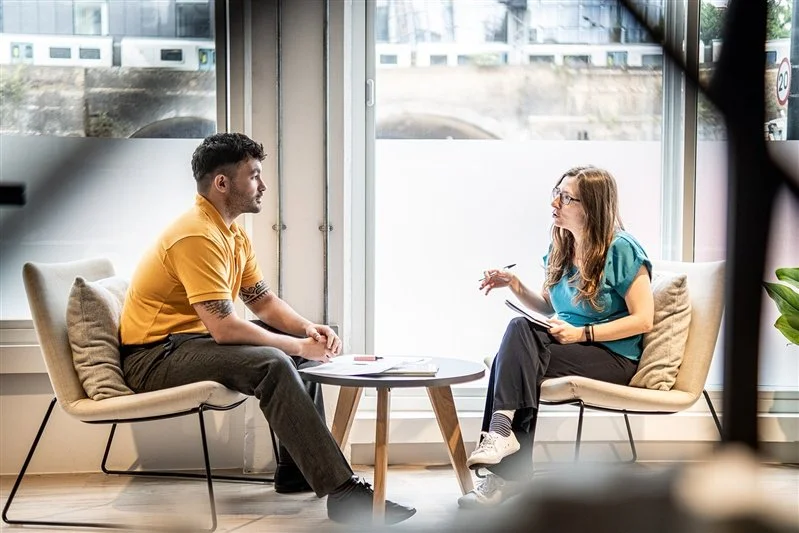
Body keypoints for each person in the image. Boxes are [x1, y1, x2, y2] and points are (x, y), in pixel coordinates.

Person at [119, 132, 415, 525]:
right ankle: (343, 492)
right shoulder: (197, 235)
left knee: (295, 344)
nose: (263, 185)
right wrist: (296, 349)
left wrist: (308, 329)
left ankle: (296, 471)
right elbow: (225, 329)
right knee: (276, 362)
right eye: (254, 175)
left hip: (189, 343)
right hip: (154, 358)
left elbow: (261, 301)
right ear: (222, 183)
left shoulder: (231, 232)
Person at [458, 166, 654, 508]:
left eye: (566, 197)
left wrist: (583, 332)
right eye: (557, 192)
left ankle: (504, 461)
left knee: (516, 356)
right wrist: (515, 286)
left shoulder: (621, 248)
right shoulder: (563, 243)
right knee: (519, 335)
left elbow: (643, 319)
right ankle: (503, 443)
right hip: (567, 344)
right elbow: (550, 306)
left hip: (612, 356)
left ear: (591, 206)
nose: (555, 202)